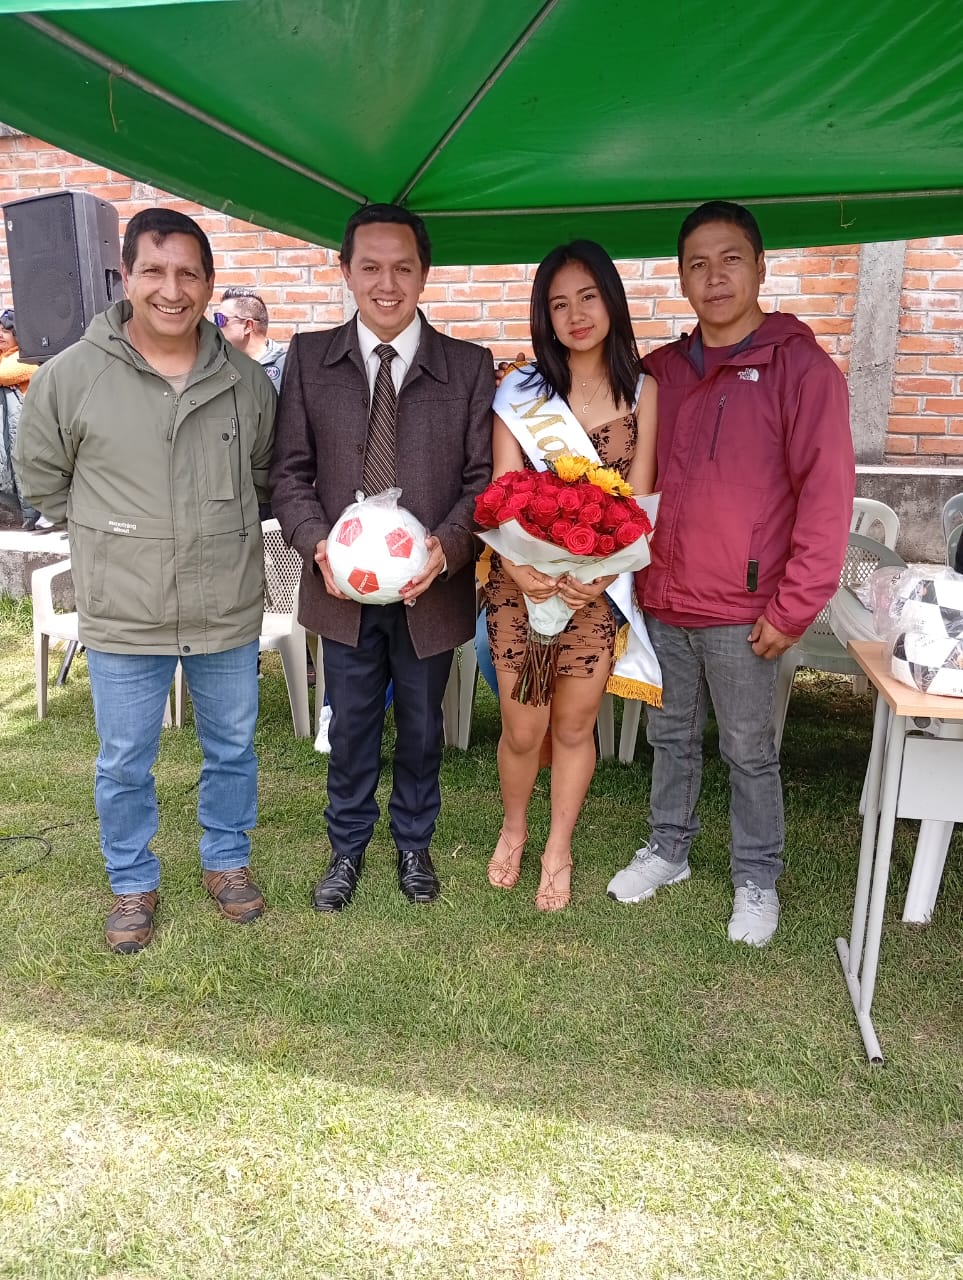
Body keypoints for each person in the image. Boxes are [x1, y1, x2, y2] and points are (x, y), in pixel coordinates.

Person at [14, 208, 277, 954]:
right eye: (154, 271)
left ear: (210, 284)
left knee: (232, 747)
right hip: (124, 605)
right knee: (125, 759)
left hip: (224, 600)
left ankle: (226, 860)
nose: (171, 289)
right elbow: (42, 479)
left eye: (188, 273)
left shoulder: (244, 382)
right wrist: (116, 534)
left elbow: (262, 474)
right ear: (125, 276)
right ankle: (132, 879)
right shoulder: (72, 376)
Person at [606, 200, 855, 945]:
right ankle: (668, 848)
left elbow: (826, 497)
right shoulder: (661, 372)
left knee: (748, 750)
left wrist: (793, 607)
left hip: (745, 610)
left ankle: (756, 877)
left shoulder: (801, 370)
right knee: (670, 737)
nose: (714, 277)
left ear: (760, 268)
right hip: (664, 597)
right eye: (697, 264)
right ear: (681, 278)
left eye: (730, 259)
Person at [269, 202, 494, 912]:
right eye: (370, 267)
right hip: (341, 590)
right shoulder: (310, 358)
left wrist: (446, 547)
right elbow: (289, 473)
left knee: (423, 727)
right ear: (346, 271)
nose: (386, 283)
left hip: (431, 588)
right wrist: (319, 546)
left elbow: (483, 482)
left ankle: (414, 843)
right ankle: (346, 847)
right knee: (352, 724)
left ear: (425, 273)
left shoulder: (467, 366)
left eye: (402, 267)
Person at [485, 241, 657, 911]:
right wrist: (517, 566)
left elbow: (639, 506)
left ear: (611, 300)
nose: (575, 315)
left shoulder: (644, 391)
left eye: (587, 297)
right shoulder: (520, 391)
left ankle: (558, 846)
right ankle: (513, 827)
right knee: (522, 728)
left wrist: (597, 578)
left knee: (575, 728)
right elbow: (502, 494)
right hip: (520, 586)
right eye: (558, 304)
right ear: (545, 317)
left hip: (595, 591)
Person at [0, 308, 41, 529]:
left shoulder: (26, 359)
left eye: (6, 330)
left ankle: (33, 517)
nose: (0, 334)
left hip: (24, 433)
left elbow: (3, 374)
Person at [214, 287, 287, 388]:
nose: (216, 326)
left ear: (248, 326)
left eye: (220, 319)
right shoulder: (218, 368)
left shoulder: (287, 368)